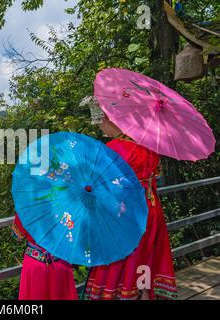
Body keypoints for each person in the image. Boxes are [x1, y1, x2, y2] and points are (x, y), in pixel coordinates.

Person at [81, 96, 177, 300]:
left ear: (109, 120)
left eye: (101, 125)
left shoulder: (114, 149)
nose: (101, 130)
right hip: (151, 211)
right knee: (146, 258)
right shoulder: (149, 146)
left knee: (122, 264)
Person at [11, 213, 79, 300]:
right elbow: (73, 233)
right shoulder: (65, 205)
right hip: (60, 261)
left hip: (35, 263)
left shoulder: (27, 206)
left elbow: (16, 236)